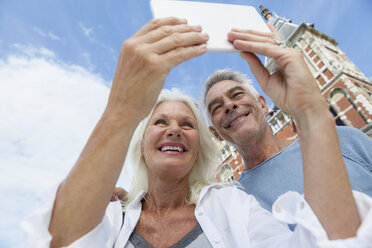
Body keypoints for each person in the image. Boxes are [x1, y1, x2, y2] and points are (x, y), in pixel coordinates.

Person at [22, 18, 372, 248]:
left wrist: (311, 114)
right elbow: (57, 241)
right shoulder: (110, 215)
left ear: (202, 146)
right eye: (159, 122)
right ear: (142, 144)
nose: (174, 129)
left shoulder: (235, 206)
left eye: (187, 124)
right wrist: (123, 109)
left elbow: (330, 242)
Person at [202, 27, 372, 213]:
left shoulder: (344, 140)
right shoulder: (237, 202)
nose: (229, 105)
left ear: (263, 104)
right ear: (216, 134)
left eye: (236, 94)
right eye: (217, 107)